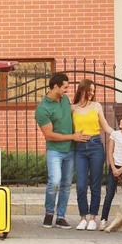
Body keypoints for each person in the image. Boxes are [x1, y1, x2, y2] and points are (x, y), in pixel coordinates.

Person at [35, 72, 90, 229]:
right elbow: (49, 135)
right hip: (55, 151)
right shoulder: (43, 109)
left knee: (66, 184)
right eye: (65, 87)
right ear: (55, 87)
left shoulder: (64, 99)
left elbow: (72, 112)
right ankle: (49, 213)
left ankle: (60, 216)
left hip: (70, 150)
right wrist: (73, 136)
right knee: (54, 181)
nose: (67, 90)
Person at [72, 79, 114, 231]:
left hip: (96, 146)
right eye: (90, 90)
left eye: (94, 91)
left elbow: (105, 126)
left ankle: (92, 218)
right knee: (81, 185)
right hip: (80, 148)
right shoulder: (73, 108)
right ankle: (83, 217)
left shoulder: (96, 106)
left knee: (95, 185)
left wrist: (118, 134)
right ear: (82, 90)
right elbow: (70, 131)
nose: (92, 93)